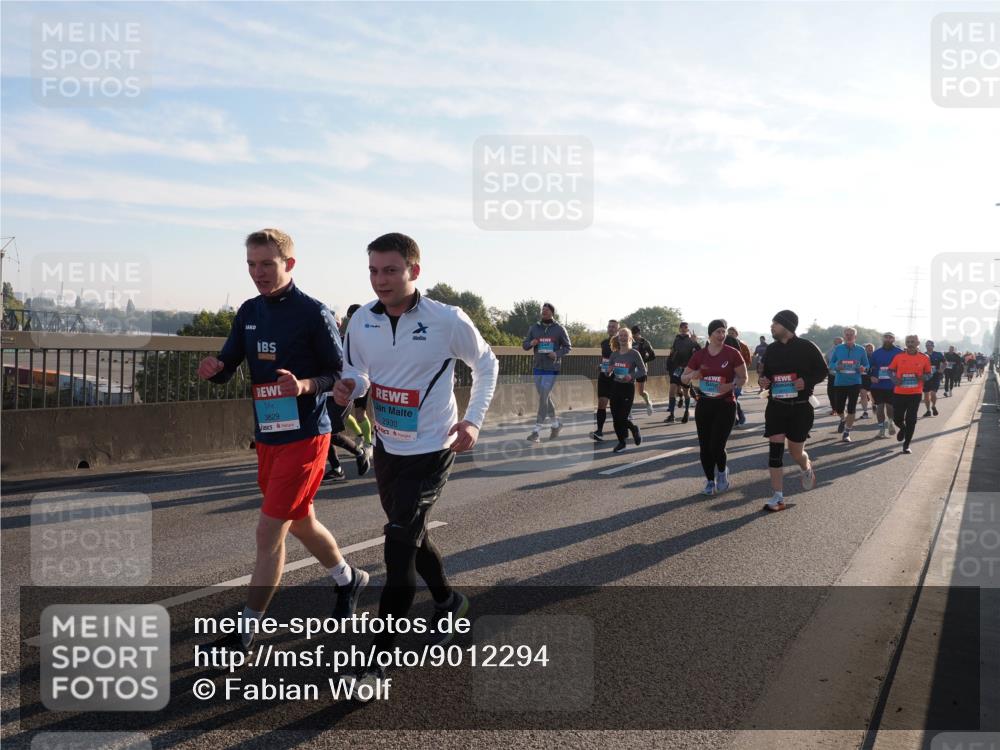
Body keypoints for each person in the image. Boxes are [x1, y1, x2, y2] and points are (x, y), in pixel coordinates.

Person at [334, 232, 499, 698]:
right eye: (372, 270)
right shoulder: (361, 321)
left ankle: (375, 666)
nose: (379, 280)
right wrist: (351, 388)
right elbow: (359, 371)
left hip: (433, 446)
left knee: (397, 546)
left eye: (390, 270)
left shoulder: (447, 320)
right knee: (410, 532)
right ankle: (450, 601)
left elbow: (487, 365)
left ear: (414, 271)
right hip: (389, 446)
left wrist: (473, 421)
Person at [197, 228, 368, 661]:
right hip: (269, 435)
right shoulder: (249, 311)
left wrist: (305, 385)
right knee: (303, 520)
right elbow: (229, 362)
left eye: (267, 264)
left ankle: (246, 630)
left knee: (268, 531)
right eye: (251, 265)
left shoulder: (314, 313)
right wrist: (214, 368)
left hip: (308, 435)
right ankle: (349, 579)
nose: (258, 273)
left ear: (288, 264)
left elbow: (338, 374)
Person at [758, 310, 829, 512]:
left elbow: (823, 371)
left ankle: (806, 467)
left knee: (796, 452)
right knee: (775, 452)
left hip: (800, 408)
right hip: (776, 407)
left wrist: (805, 381)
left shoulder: (807, 347)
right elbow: (766, 375)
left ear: (787, 326)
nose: (771, 327)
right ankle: (778, 497)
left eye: (775, 324)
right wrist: (763, 381)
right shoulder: (771, 349)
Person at [683, 320, 748, 495]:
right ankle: (710, 481)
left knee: (717, 445)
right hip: (704, 403)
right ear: (710, 334)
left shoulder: (732, 353)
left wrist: (731, 385)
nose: (721, 335)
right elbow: (683, 377)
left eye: (723, 331)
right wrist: (692, 375)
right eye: (718, 332)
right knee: (705, 446)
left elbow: (743, 377)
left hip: (725, 404)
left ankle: (721, 471)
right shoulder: (699, 355)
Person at [523, 303, 572, 442]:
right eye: (542, 310)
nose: (543, 312)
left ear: (552, 313)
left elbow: (568, 347)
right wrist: (531, 343)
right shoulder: (534, 328)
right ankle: (556, 425)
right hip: (538, 367)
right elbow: (525, 345)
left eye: (546, 310)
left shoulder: (559, 329)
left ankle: (536, 431)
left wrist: (556, 354)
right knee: (545, 397)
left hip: (552, 368)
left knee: (543, 397)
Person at [889, 335, 933, 454]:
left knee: (911, 420)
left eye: (912, 341)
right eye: (908, 342)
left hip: (915, 393)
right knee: (897, 418)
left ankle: (907, 444)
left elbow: (929, 373)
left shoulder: (924, 358)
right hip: (899, 393)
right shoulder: (899, 356)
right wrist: (894, 379)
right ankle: (902, 429)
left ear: (918, 343)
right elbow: (890, 370)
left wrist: (923, 377)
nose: (910, 344)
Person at [340, 303, 375, 451]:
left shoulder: (370, 335)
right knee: (343, 415)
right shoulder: (344, 337)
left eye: (354, 318)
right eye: (349, 318)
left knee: (360, 414)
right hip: (346, 380)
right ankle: (359, 435)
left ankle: (368, 443)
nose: (352, 321)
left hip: (363, 379)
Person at [607, 327, 646, 453]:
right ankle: (621, 442)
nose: (622, 338)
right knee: (615, 417)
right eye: (621, 336)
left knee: (623, 417)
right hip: (616, 386)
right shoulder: (614, 354)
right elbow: (608, 372)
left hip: (627, 387)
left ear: (630, 338)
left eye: (625, 336)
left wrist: (631, 376)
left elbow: (642, 370)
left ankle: (634, 428)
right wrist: (608, 371)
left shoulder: (634, 353)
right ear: (618, 338)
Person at [827, 327, 870, 443]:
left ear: (855, 337)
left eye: (851, 334)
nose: (849, 336)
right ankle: (842, 419)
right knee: (838, 407)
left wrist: (863, 368)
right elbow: (830, 364)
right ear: (844, 336)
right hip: (840, 382)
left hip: (855, 382)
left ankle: (847, 432)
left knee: (851, 408)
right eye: (847, 334)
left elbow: (867, 364)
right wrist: (836, 366)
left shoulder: (861, 350)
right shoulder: (838, 349)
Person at [665, 322, 700, 424]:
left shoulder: (691, 340)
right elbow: (672, 353)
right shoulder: (676, 339)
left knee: (686, 392)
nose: (685, 329)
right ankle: (671, 415)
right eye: (683, 327)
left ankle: (686, 412)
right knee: (672, 391)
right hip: (676, 369)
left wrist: (695, 342)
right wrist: (668, 364)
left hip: (686, 369)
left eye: (686, 327)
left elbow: (700, 352)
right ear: (679, 329)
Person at [590, 319, 619, 442]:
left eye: (613, 327)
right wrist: (601, 366)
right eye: (609, 326)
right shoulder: (604, 343)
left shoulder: (622, 343)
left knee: (616, 408)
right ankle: (599, 431)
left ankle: (627, 430)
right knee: (602, 403)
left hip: (617, 377)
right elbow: (605, 359)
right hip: (604, 376)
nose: (611, 328)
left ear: (618, 329)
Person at [868, 332, 901, 439]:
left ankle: (890, 423)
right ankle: (881, 429)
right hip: (877, 385)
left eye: (890, 338)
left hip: (892, 385)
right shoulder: (876, 353)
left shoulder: (899, 352)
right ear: (883, 339)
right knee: (880, 407)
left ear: (893, 340)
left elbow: (904, 367)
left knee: (890, 407)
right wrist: (871, 376)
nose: (887, 339)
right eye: (886, 337)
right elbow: (870, 367)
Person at [725, 326, 752, 425]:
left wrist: (741, 368)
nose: (730, 334)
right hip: (727, 374)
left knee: (734, 397)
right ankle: (734, 419)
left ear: (737, 334)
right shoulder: (724, 344)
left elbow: (748, 360)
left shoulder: (742, 345)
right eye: (729, 333)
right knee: (728, 398)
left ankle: (739, 414)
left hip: (738, 374)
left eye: (732, 333)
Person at [630, 325, 657, 416]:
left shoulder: (645, 342)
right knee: (629, 389)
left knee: (640, 391)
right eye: (632, 334)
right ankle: (628, 411)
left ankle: (648, 403)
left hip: (641, 369)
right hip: (630, 369)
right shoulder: (629, 342)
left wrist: (643, 361)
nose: (634, 336)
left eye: (635, 334)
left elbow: (653, 356)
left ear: (639, 333)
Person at [922, 340, 945, 417]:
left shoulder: (938, 354)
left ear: (933, 346)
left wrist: (941, 369)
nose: (928, 346)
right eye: (927, 345)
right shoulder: (923, 355)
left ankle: (933, 406)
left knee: (933, 393)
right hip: (926, 377)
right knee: (926, 395)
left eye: (930, 345)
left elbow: (945, 363)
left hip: (936, 376)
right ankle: (928, 410)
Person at [825, 336, 844, 415]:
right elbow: (826, 360)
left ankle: (840, 408)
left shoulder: (845, 350)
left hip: (842, 374)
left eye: (839, 342)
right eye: (836, 341)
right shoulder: (830, 351)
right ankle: (834, 409)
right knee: (830, 392)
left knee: (839, 392)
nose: (837, 343)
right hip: (832, 374)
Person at [860, 343, 875, 419]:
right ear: (865, 350)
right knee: (863, 394)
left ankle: (874, 405)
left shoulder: (876, 356)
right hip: (863, 377)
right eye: (868, 349)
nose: (870, 350)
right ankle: (865, 412)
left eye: (871, 349)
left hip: (873, 378)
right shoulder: (861, 357)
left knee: (873, 396)